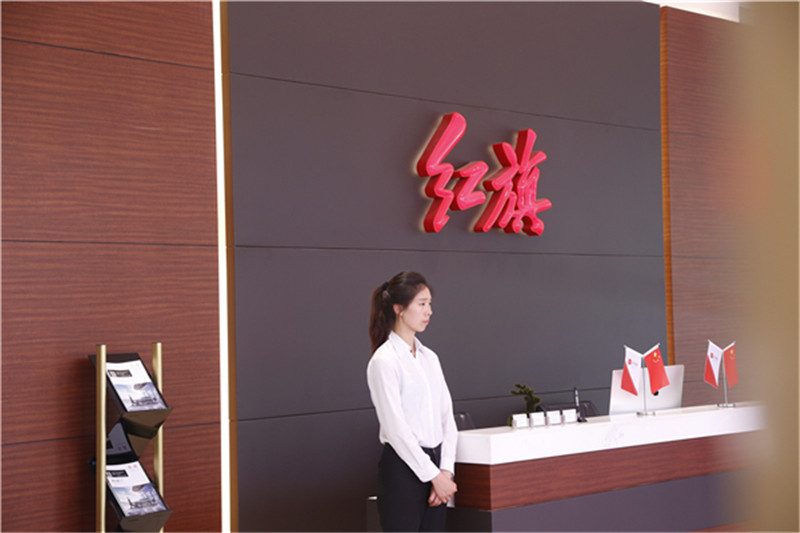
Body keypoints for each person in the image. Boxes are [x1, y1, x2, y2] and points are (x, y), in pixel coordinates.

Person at [366, 271, 458, 532]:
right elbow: (395, 430)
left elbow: (447, 418)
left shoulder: (430, 358)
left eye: (429, 304)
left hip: (436, 470)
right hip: (403, 471)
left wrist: (445, 472)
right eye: (422, 304)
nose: (429, 311)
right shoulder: (384, 361)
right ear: (399, 309)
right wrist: (433, 475)